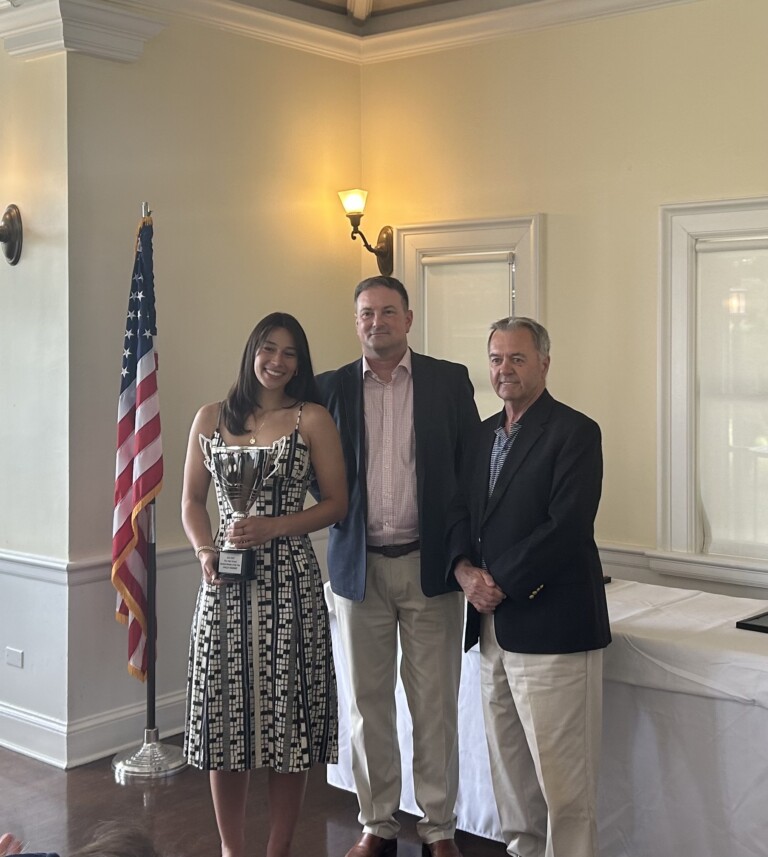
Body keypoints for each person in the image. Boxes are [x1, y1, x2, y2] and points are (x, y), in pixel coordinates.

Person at [316, 276, 480, 857]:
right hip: (358, 573)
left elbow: (469, 477)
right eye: (366, 313)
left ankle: (438, 827)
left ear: (409, 318)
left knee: (434, 706)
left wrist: (465, 558)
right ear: (355, 320)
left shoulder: (448, 381)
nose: (377, 322)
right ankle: (377, 823)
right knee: (367, 705)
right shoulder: (328, 388)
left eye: (388, 312)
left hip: (430, 568)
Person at [181, 312, 348, 857]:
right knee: (224, 720)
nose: (277, 362)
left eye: (290, 353)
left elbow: (337, 504)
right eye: (268, 349)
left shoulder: (313, 419)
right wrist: (206, 549)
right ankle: (233, 850)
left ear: (301, 363)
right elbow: (190, 502)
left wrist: (275, 525)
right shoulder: (210, 418)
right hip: (224, 587)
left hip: (290, 585)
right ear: (251, 351)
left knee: (286, 724)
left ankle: (278, 850)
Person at [446, 316, 611, 857]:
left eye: (517, 358)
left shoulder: (575, 432)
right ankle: (521, 849)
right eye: (496, 359)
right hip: (490, 628)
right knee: (510, 770)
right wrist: (465, 573)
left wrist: (503, 583)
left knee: (565, 785)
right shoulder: (482, 434)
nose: (504, 369)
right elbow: (460, 513)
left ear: (544, 362)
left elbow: (566, 525)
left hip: (552, 626)